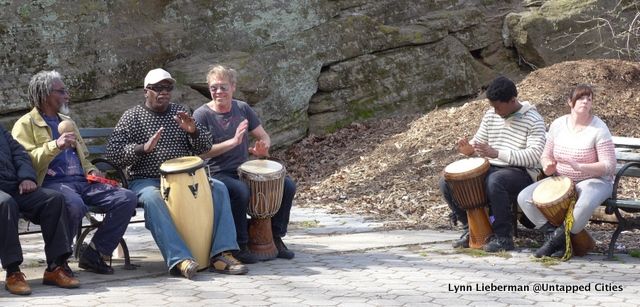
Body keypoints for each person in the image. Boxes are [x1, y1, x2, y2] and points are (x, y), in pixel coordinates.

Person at [105, 68, 247, 279]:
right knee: (153, 199)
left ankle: (222, 253)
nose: (164, 92)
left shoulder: (179, 112)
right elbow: (113, 153)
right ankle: (180, 259)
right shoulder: (132, 117)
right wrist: (142, 148)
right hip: (147, 180)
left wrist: (194, 131)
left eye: (168, 88)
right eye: (158, 88)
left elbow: (204, 146)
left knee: (218, 189)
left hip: (185, 178)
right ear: (146, 91)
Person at [12, 70, 137, 275]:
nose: (67, 96)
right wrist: (55, 145)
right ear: (45, 94)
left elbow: (82, 158)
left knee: (127, 198)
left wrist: (93, 171)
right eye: (61, 91)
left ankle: (95, 254)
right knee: (73, 204)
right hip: (51, 185)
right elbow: (23, 161)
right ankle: (60, 261)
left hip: (81, 182)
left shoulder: (67, 121)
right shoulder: (25, 124)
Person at [193, 65, 296, 262]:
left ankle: (275, 237)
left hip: (244, 170)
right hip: (216, 172)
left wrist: (263, 149)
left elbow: (263, 135)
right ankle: (240, 244)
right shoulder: (202, 115)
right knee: (241, 191)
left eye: (223, 87)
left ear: (233, 87)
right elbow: (201, 153)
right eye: (214, 87)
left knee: (288, 185)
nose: (218, 92)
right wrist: (232, 143)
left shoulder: (242, 109)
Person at [439, 76, 546, 252]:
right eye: (492, 107)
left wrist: (498, 153)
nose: (495, 112)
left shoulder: (533, 119)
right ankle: (471, 230)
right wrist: (468, 150)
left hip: (521, 172)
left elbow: (534, 156)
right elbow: (479, 143)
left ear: (512, 101)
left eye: (498, 107)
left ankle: (503, 238)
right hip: (491, 167)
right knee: (447, 180)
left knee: (495, 181)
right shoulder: (490, 115)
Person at [517, 84, 616, 258]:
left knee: (584, 203)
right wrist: (547, 165)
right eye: (580, 98)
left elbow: (609, 166)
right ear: (570, 102)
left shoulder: (599, 128)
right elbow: (546, 155)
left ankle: (553, 244)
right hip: (562, 180)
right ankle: (555, 236)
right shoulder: (558, 124)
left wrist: (581, 167)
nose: (585, 101)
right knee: (524, 198)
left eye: (589, 98)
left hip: (595, 180)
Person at [1, 125, 79, 295]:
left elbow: (20, 154)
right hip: (4, 197)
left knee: (53, 199)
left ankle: (55, 267)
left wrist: (26, 177)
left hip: (13, 186)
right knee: (6, 204)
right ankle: (13, 272)